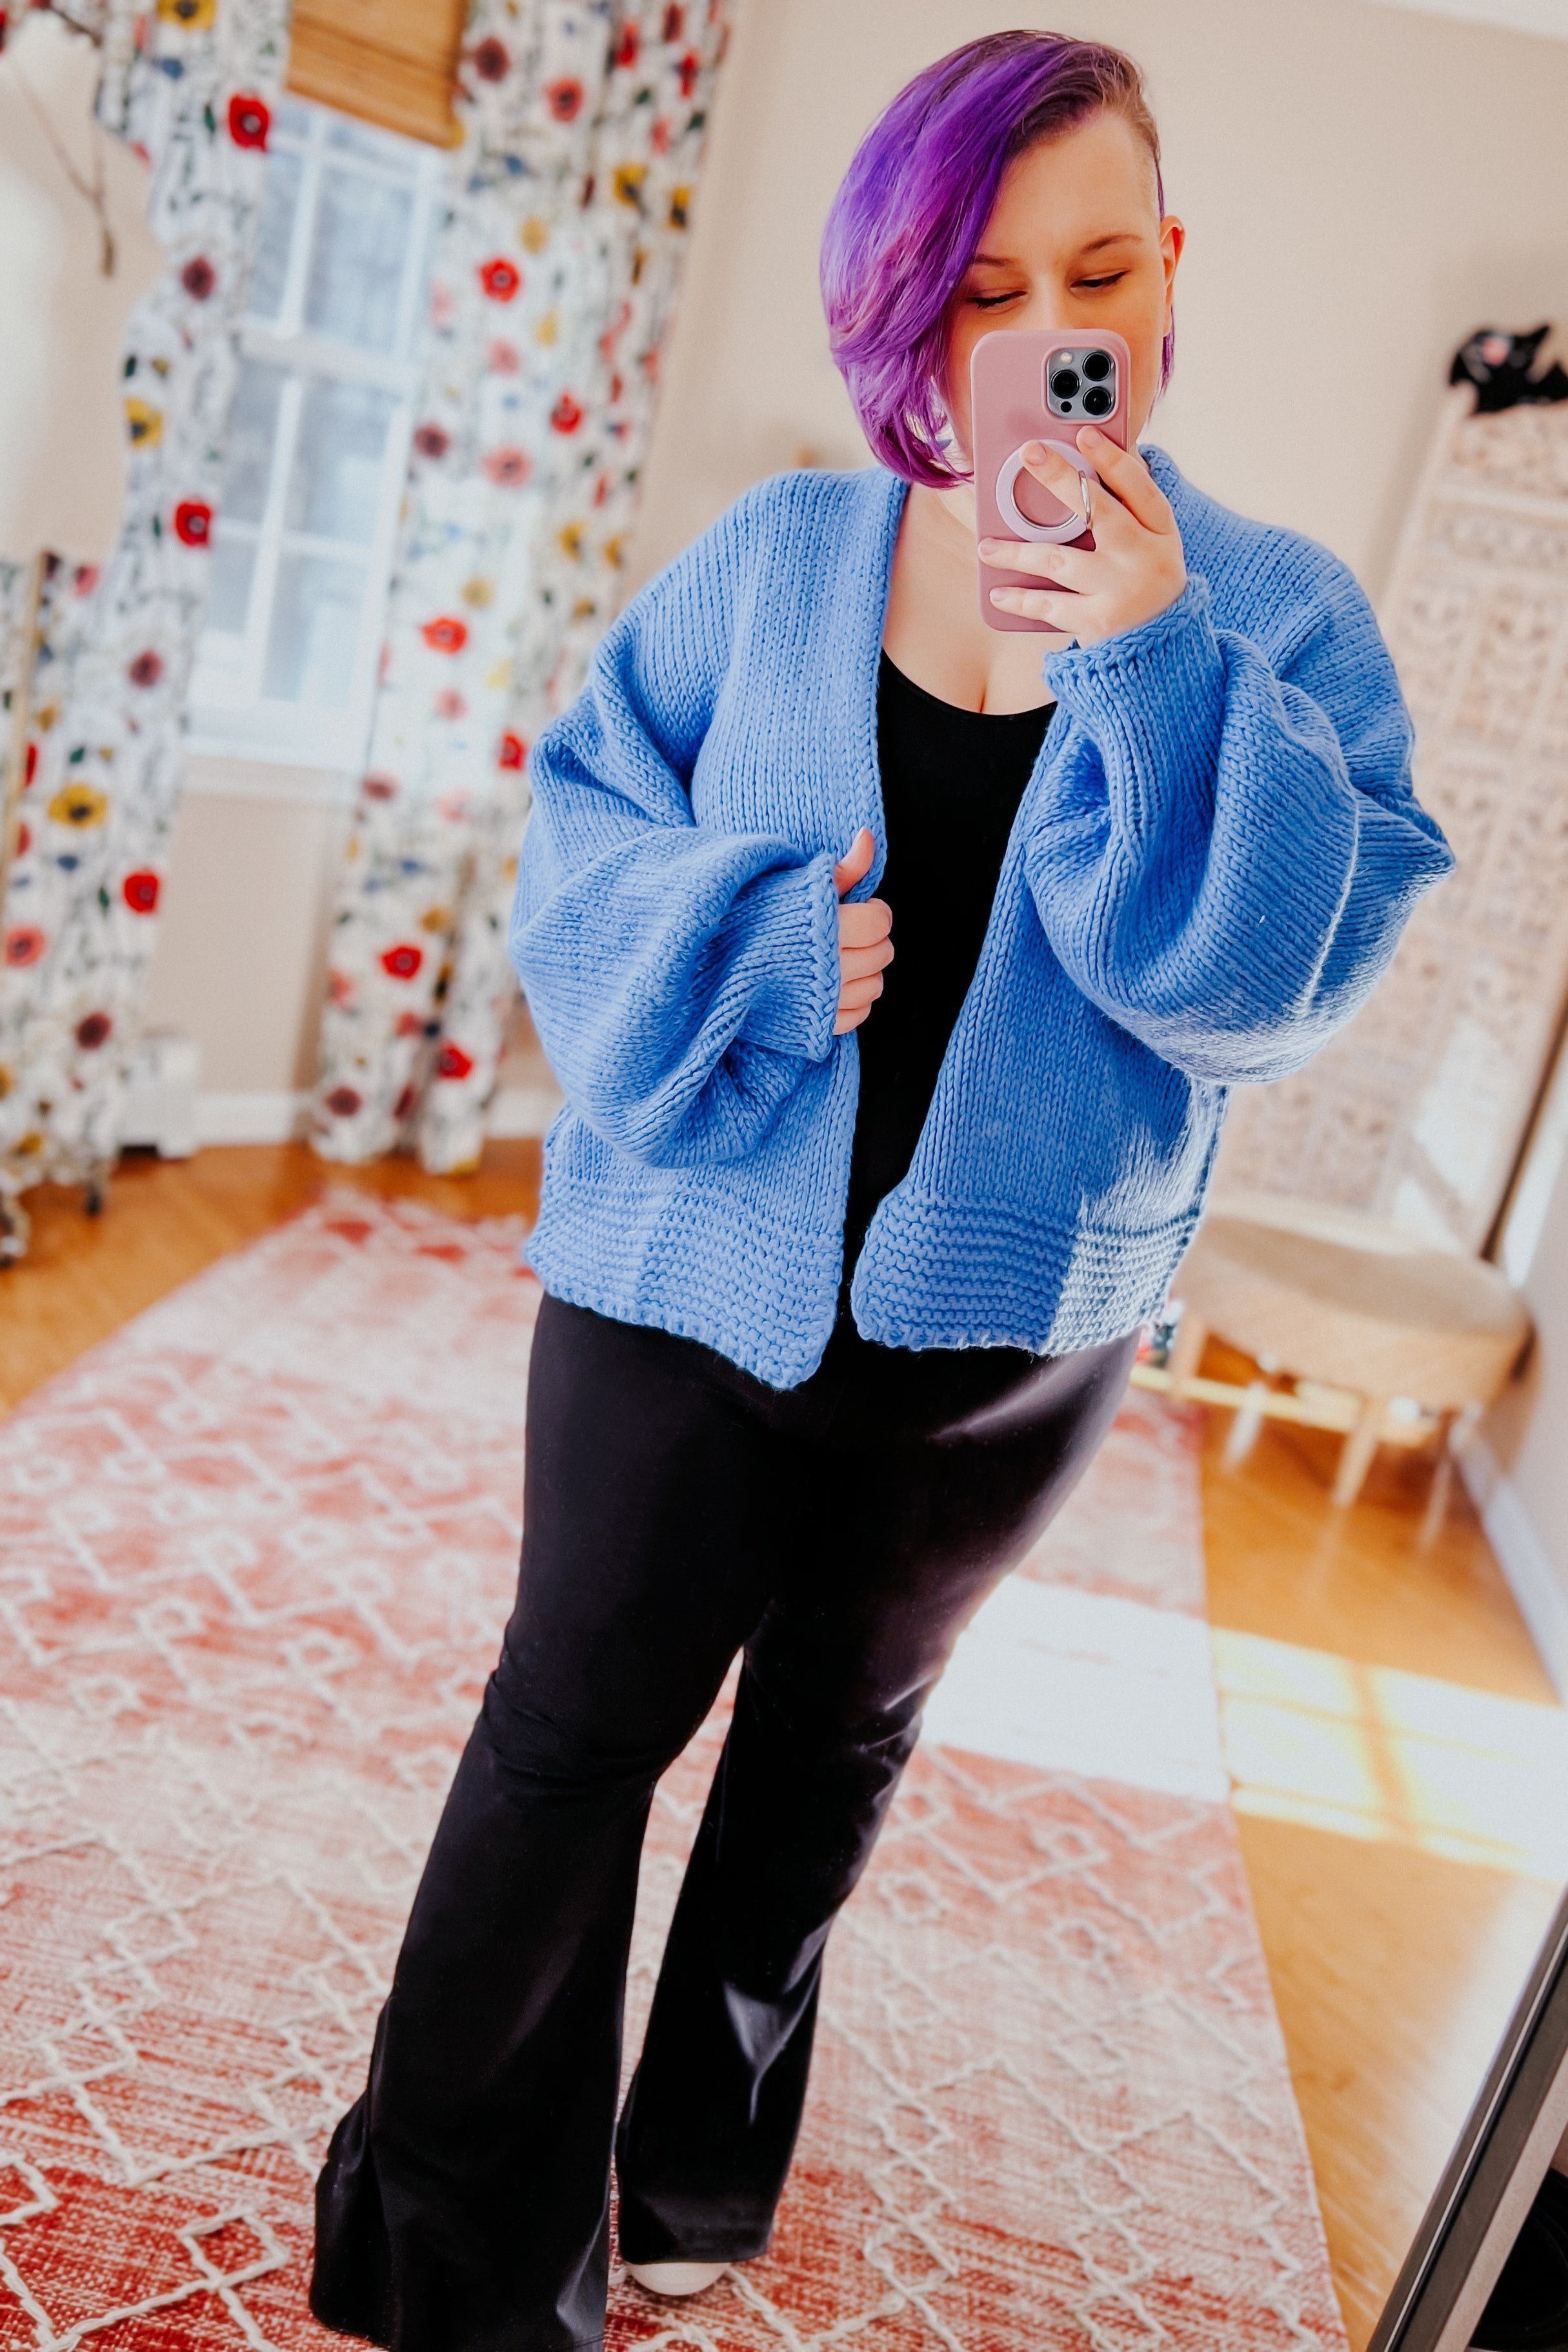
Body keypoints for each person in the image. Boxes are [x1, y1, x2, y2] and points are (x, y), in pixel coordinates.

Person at [310, 30, 1453, 2352]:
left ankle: (701, 2164)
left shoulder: (1281, 618)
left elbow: (1262, 991)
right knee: (565, 1740)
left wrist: (1151, 663)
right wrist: (741, 933)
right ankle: (452, 2242)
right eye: (981, 286)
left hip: (1009, 1328)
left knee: (826, 1760)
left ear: (1170, 273)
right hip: (680, 1261)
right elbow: (578, 838)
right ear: (904, 305)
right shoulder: (777, 561)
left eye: (1104, 269)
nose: (1048, 332)